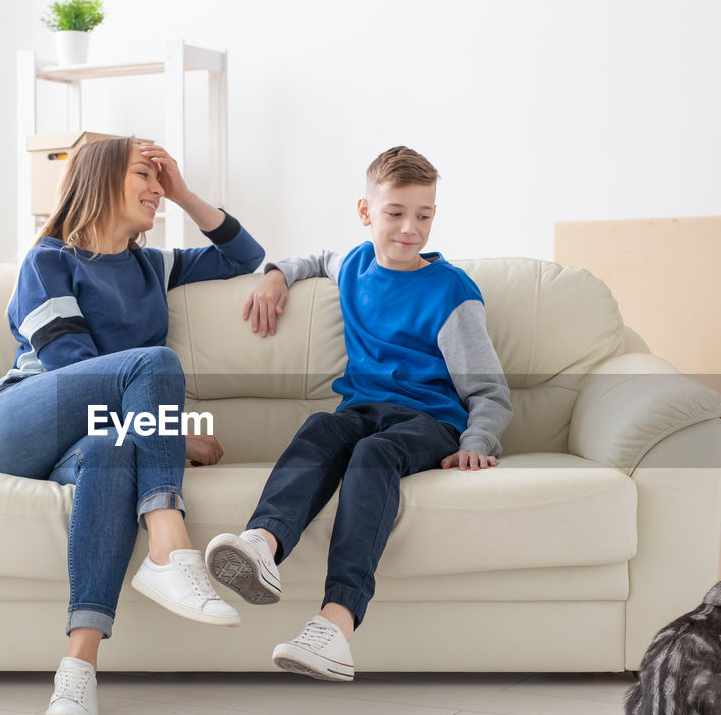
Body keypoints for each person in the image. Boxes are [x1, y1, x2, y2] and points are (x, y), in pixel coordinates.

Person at [0, 137, 264, 715]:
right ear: (102, 178)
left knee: (111, 456)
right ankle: (168, 542)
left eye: (161, 178)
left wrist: (183, 191)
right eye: (145, 174)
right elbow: (69, 366)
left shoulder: (150, 265)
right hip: (23, 421)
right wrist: (175, 441)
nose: (157, 187)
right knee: (154, 362)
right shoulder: (48, 261)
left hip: (97, 435)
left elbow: (245, 256)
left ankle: (76, 671)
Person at [206, 146, 512, 681]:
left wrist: (477, 442)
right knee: (323, 427)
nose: (410, 229)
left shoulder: (452, 293)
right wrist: (277, 273)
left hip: (429, 421)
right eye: (395, 213)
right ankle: (262, 544)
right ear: (365, 212)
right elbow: (316, 260)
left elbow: (488, 389)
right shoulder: (354, 263)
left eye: (424, 215)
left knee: (373, 455)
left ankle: (336, 626)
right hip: (361, 408)